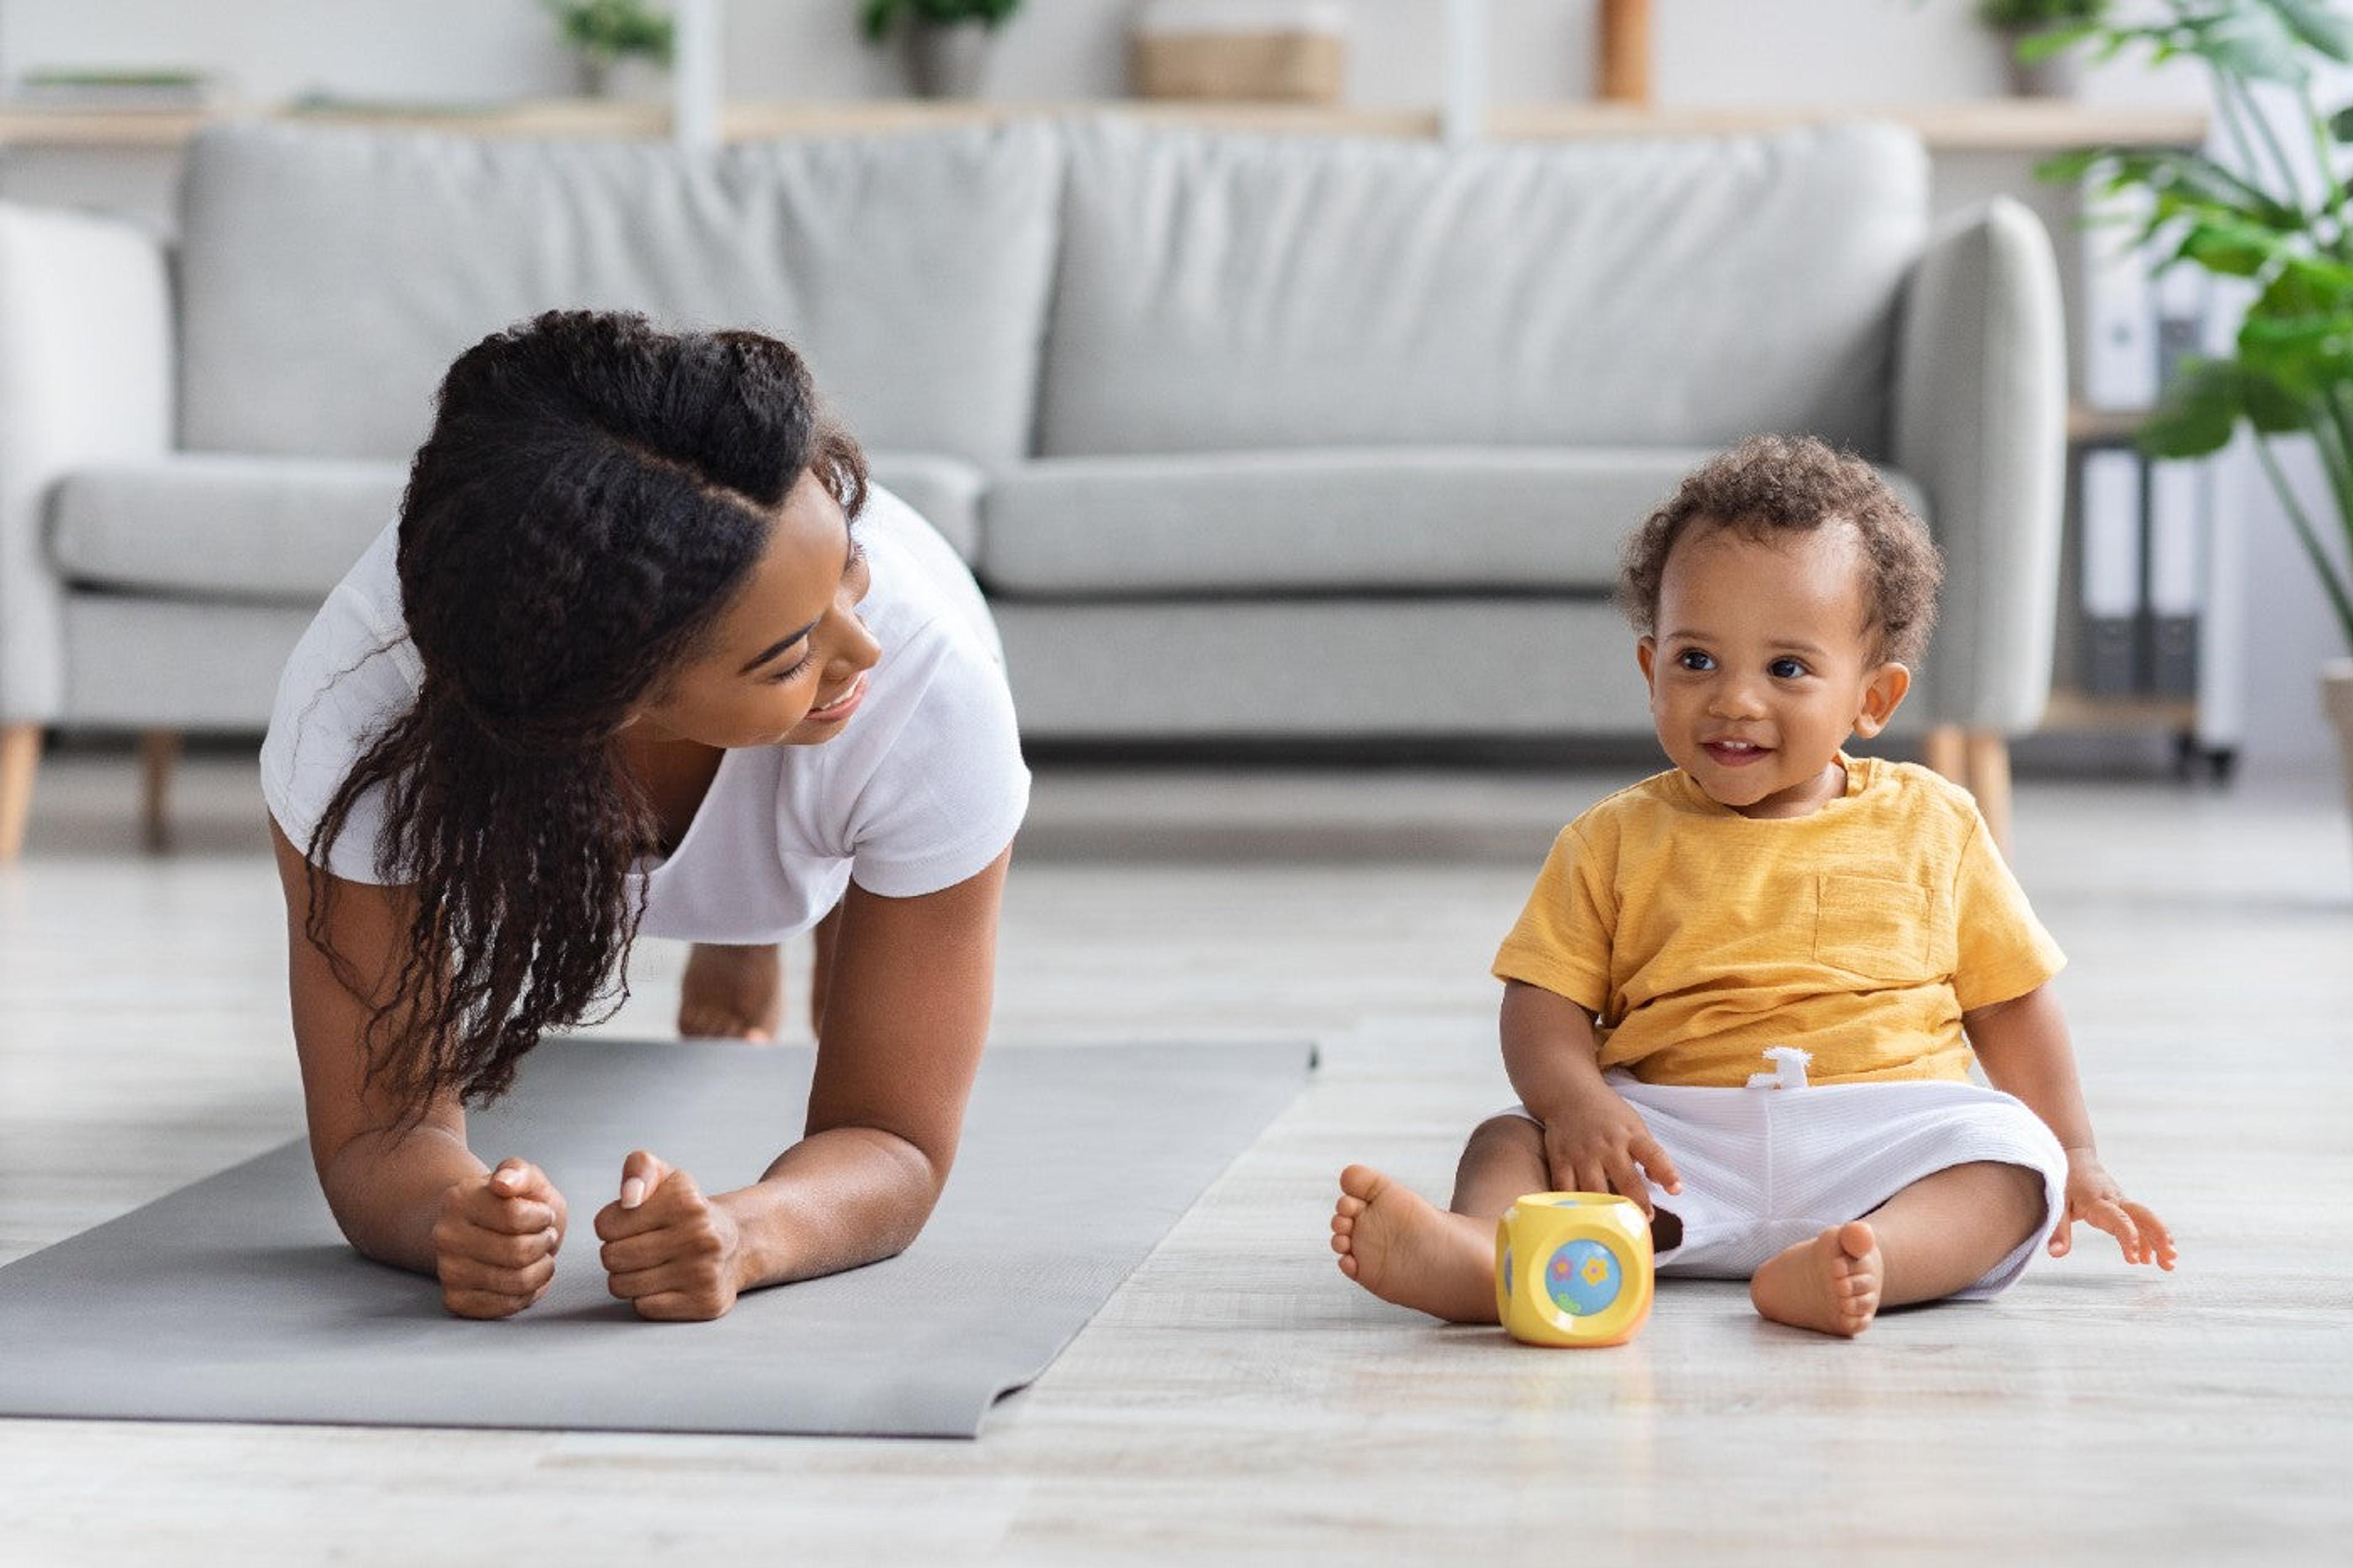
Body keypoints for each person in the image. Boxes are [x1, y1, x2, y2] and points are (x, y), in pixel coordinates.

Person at [262, 310, 1028, 1322]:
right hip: (566, 746)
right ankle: (741, 914)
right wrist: (451, 1215)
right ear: (615, 700)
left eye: (850, 573)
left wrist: (749, 1233)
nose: (862, 650)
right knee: (779, 811)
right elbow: (374, 1135)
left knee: (838, 837)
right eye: (793, 654)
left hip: (833, 787)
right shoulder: (362, 714)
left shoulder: (924, 687)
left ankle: (751, 927)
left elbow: (895, 1139)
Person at [1329, 434, 2175, 1337]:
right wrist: (1580, 1106)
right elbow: (1541, 1003)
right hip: (1670, 1148)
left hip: (1880, 1138)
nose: (1735, 700)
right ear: (1651, 670)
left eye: (1786, 669)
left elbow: (2012, 1005)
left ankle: (1865, 1263)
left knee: (2012, 1166)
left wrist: (2077, 1155)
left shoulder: (1937, 824)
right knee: (1511, 1138)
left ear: (1873, 700)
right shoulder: (1612, 838)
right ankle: (1491, 1256)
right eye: (1697, 661)